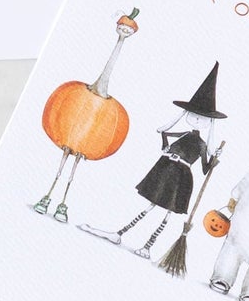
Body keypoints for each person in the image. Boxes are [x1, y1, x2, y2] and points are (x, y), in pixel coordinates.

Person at [80, 62, 228, 259]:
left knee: (167, 213)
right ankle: (120, 233)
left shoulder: (201, 145)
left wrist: (214, 159)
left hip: (181, 178)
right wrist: (165, 145)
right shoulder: (184, 133)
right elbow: (165, 134)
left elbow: (204, 169)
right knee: (150, 205)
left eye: (202, 118)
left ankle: (148, 246)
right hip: (166, 169)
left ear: (209, 122)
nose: (197, 120)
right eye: (194, 115)